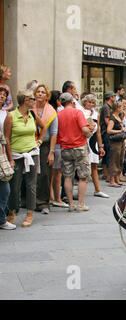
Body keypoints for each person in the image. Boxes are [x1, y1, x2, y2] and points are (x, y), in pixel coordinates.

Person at [6, 90, 46, 227]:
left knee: (31, 185)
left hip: (32, 153)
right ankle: (11, 211)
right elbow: (6, 137)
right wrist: (10, 157)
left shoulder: (32, 114)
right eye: (32, 99)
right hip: (16, 154)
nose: (35, 101)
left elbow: (44, 127)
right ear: (25, 100)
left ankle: (30, 213)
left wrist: (39, 141)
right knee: (15, 185)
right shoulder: (11, 116)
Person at [57, 93, 94, 212]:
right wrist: (89, 132)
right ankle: (81, 204)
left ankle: (71, 204)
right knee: (83, 176)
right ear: (72, 102)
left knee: (68, 176)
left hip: (65, 147)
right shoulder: (77, 112)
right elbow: (84, 130)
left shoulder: (59, 114)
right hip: (79, 146)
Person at [34, 84, 58, 215]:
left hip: (45, 144)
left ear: (47, 96)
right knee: (30, 173)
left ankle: (43, 202)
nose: (40, 94)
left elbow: (54, 132)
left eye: (43, 92)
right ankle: (28, 201)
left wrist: (51, 152)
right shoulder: (30, 109)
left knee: (44, 174)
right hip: (30, 143)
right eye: (38, 92)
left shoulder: (51, 111)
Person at [81, 94, 109, 198]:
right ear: (85, 102)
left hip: (93, 142)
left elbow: (98, 132)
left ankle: (97, 189)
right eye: (89, 102)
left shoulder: (96, 114)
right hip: (83, 141)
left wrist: (101, 146)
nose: (91, 104)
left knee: (94, 165)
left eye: (93, 102)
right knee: (83, 166)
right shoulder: (81, 112)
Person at [48, 90, 68, 208]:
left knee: (52, 173)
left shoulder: (49, 111)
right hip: (58, 144)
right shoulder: (58, 112)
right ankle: (57, 198)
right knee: (57, 173)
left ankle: (51, 196)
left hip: (53, 144)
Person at [0, 87, 15, 230]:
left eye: (4, 95)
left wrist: (9, 158)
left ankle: (1, 218)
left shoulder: (7, 115)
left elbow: (6, 138)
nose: (1, 97)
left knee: (5, 189)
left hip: (1, 154)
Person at [107, 101, 126, 187]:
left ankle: (117, 178)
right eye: (121, 107)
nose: (122, 109)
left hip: (120, 141)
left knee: (120, 159)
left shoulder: (118, 117)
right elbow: (109, 130)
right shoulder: (113, 118)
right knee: (114, 159)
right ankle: (112, 180)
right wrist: (120, 131)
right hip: (115, 141)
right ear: (117, 108)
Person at [100, 91, 115, 182]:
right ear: (110, 97)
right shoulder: (106, 107)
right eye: (113, 96)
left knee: (107, 154)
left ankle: (106, 174)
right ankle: (107, 174)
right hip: (106, 132)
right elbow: (107, 120)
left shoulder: (108, 107)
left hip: (106, 132)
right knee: (108, 154)